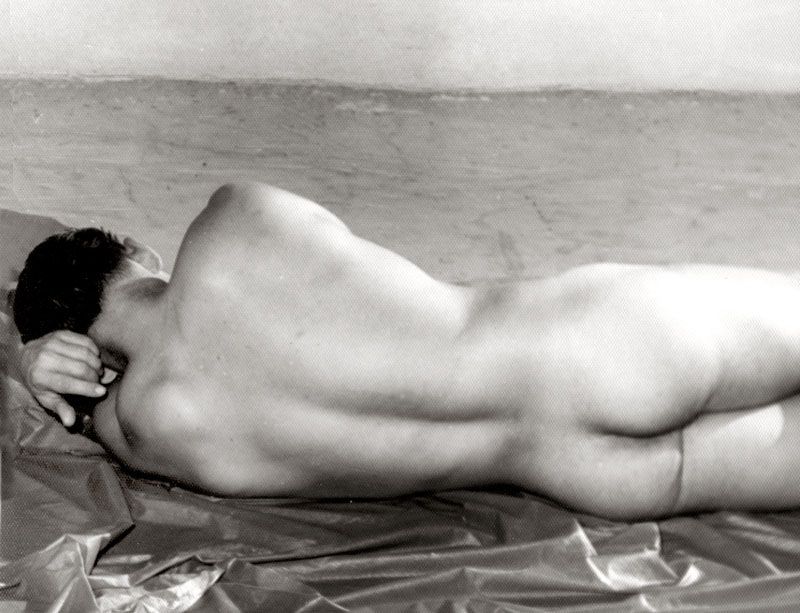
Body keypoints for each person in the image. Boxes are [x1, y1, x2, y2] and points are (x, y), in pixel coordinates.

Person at [9, 182, 800, 520]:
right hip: (595, 342)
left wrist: (32, 366)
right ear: (137, 255)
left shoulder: (146, 428)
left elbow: (70, 405)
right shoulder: (232, 220)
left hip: (583, 473)